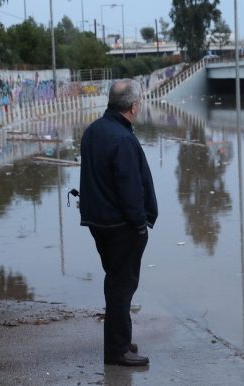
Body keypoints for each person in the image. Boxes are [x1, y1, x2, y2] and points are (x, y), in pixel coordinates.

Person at [79, 79, 158, 366]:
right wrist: (140, 224)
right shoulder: (122, 138)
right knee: (122, 286)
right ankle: (116, 351)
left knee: (115, 282)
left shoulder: (94, 131)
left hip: (99, 221)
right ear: (134, 106)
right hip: (120, 225)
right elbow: (129, 189)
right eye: (140, 103)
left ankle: (120, 340)